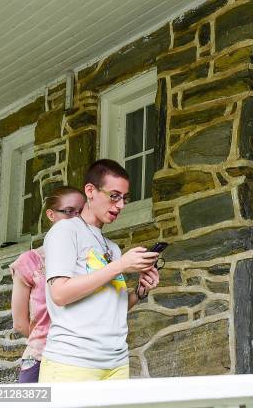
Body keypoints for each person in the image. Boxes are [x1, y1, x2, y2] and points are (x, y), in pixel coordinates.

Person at [38, 159, 160, 382]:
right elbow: (60, 294)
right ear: (90, 191)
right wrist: (120, 265)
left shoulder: (111, 247)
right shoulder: (65, 231)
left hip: (116, 363)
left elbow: (112, 307)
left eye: (125, 198)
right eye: (114, 195)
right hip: (72, 362)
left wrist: (140, 292)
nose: (121, 205)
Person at [10, 186, 86, 383]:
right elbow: (19, 323)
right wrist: (49, 342)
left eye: (81, 211)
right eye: (69, 211)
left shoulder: (88, 259)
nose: (77, 218)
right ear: (51, 215)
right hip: (41, 359)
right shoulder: (30, 261)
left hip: (82, 359)